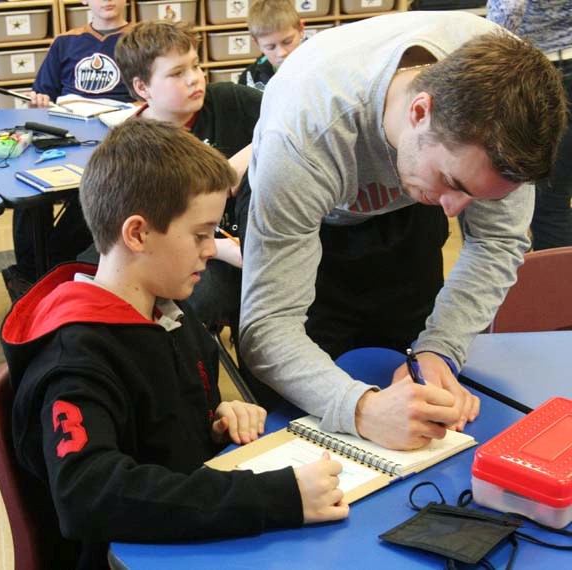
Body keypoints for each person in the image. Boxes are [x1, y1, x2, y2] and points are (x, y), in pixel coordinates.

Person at [0, 120, 348, 570]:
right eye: (201, 234)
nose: (211, 249)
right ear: (138, 234)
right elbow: (87, 493)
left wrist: (216, 419)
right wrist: (274, 498)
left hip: (195, 538)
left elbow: (157, 433)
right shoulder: (76, 358)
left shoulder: (168, 314)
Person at [240, 11, 567, 450]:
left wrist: (439, 350)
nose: (454, 213)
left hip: (406, 204)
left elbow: (496, 240)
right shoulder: (306, 132)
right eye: (454, 185)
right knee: (302, 411)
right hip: (313, 223)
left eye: (479, 196)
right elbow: (268, 327)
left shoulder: (509, 101)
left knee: (413, 372)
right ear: (419, 111)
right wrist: (362, 409)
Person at [114, 20, 261, 334]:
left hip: (257, 243)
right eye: (177, 73)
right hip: (196, 259)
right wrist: (226, 251)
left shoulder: (229, 100)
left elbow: (289, 117)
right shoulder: (134, 147)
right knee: (204, 302)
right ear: (142, 88)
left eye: (195, 65)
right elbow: (151, 236)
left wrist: (246, 156)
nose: (195, 78)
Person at [3, 0, 135, 301]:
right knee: (26, 186)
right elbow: (43, 96)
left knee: (93, 189)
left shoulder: (139, 39)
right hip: (68, 139)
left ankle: (51, 271)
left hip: (119, 143)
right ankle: (30, 274)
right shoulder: (65, 43)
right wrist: (38, 104)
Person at [487, 0, 572, 250]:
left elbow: (510, 7)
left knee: (542, 204)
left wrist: (486, 50)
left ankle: (554, 288)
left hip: (542, 71)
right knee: (554, 199)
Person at [238, 0, 304, 91]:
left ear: (301, 29)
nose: (282, 53)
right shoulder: (249, 78)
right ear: (257, 43)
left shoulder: (320, 67)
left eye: (288, 42)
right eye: (270, 47)